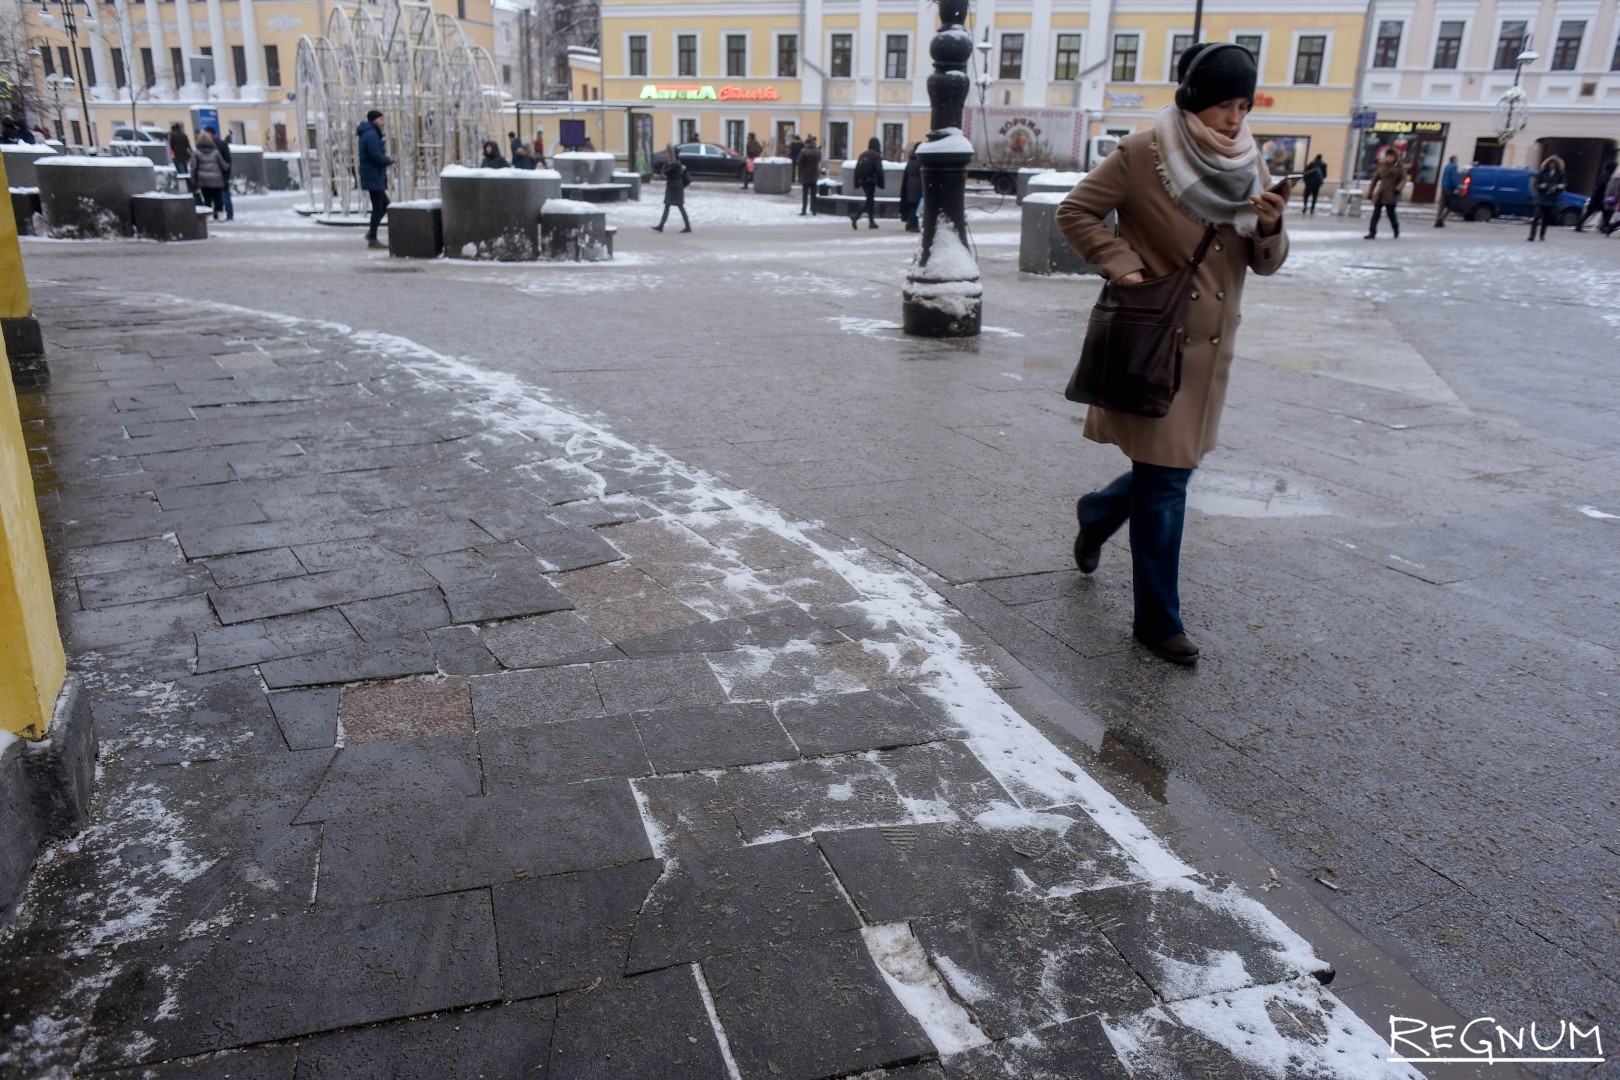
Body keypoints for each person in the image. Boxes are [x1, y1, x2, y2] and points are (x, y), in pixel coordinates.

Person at [1056, 41, 1289, 665]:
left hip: (1212, 355)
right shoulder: (1143, 153)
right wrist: (1122, 265)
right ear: (1193, 101)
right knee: (1167, 483)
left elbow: (1263, 264)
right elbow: (1077, 210)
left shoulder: (1250, 166)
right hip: (1157, 338)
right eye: (1221, 106)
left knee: (1168, 472)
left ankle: (1100, 509)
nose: (1234, 120)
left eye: (1242, 105)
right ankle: (1158, 621)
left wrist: (1269, 229)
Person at [356, 109, 392, 249]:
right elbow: (375, 155)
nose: (383, 122)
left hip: (373, 175)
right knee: (380, 207)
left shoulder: (370, 133)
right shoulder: (371, 135)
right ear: (374, 120)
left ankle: (372, 234)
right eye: (381, 119)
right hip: (373, 175)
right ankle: (372, 237)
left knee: (383, 206)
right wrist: (388, 160)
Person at [1364, 146, 1405, 239]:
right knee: (1375, 214)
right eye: (1388, 156)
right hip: (1380, 194)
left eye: (1391, 156)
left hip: (1391, 193)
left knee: (1391, 214)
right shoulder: (1382, 166)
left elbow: (1403, 180)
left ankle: (1396, 229)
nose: (1389, 158)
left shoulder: (1399, 167)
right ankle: (1372, 232)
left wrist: (1397, 189)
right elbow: (1374, 180)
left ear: (1394, 157)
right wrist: (1370, 192)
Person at [190, 131, 228, 220]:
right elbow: (223, 165)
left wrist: (193, 179)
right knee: (218, 197)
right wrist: (227, 166)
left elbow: (193, 167)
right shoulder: (216, 152)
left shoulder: (197, 153)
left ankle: (209, 215)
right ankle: (220, 215)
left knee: (207, 198)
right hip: (216, 178)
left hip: (203, 179)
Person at [654, 146, 691, 233]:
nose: (666, 154)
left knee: (679, 206)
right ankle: (661, 225)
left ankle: (687, 226)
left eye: (667, 153)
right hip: (674, 186)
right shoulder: (675, 162)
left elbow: (666, 172)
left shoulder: (674, 164)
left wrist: (664, 165)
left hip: (675, 187)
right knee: (669, 205)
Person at [850, 136, 885, 230]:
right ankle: (857, 215)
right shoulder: (876, 155)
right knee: (870, 201)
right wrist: (881, 183)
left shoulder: (863, 154)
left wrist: (856, 183)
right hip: (870, 181)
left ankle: (871, 222)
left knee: (870, 200)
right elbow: (879, 170)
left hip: (862, 181)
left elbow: (857, 169)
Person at [1528, 156, 1566, 241]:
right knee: (1536, 217)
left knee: (1546, 218)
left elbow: (1563, 184)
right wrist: (1541, 186)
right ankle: (1532, 235)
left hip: (1552, 198)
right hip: (1541, 198)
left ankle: (1542, 235)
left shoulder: (1560, 173)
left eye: (1554, 163)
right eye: (1550, 163)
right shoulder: (1542, 173)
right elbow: (1536, 184)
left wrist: (1559, 186)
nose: (1552, 165)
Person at [1575, 158, 1614, 233]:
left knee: (1599, 212)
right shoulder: (1607, 176)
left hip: (1598, 197)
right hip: (1599, 198)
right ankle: (1605, 227)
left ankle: (1605, 227)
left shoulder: (1603, 174)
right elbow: (1603, 185)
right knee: (1604, 212)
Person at [207, 126, 234, 221]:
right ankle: (227, 213)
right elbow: (228, 160)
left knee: (218, 195)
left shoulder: (213, 145)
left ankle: (220, 213)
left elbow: (226, 161)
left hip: (215, 174)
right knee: (222, 195)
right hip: (220, 173)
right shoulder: (220, 144)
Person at [900, 141, 923, 232]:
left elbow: (905, 175)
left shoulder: (911, 161)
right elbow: (922, 175)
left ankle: (909, 223)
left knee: (912, 206)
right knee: (916, 207)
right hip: (917, 187)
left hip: (909, 187)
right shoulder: (920, 161)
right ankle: (914, 225)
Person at [797, 135, 822, 215]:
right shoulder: (817, 151)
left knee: (805, 194)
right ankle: (814, 210)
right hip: (814, 174)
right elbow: (819, 159)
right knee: (813, 194)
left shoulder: (803, 151)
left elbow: (799, 162)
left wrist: (803, 169)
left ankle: (804, 210)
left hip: (805, 175)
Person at [1434, 155, 1460, 227]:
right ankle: (1441, 219)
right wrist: (1456, 187)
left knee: (1442, 205)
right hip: (1450, 188)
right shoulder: (1454, 167)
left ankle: (1438, 219)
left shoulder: (1447, 166)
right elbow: (1454, 178)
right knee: (1450, 205)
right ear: (1454, 160)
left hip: (1444, 187)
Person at [168, 122, 193, 195]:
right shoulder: (184, 135)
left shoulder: (172, 135)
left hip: (177, 156)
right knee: (185, 171)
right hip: (185, 155)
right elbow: (188, 145)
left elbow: (171, 146)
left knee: (181, 172)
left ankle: (184, 189)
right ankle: (189, 186)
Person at [1602, 167, 1620, 235]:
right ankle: (1609, 228)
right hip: (1614, 199)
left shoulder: (1612, 179)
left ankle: (1609, 228)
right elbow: (1616, 191)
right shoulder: (1617, 181)